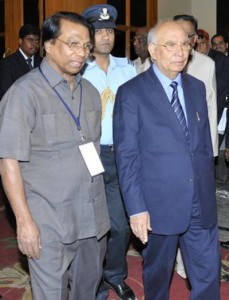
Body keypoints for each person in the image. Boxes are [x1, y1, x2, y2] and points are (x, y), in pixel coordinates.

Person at [0, 11, 110, 300]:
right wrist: (24, 223)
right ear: (48, 45)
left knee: (87, 292)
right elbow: (8, 162)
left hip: (92, 218)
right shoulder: (23, 93)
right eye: (72, 44)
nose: (81, 53)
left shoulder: (89, 91)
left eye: (86, 46)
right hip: (48, 222)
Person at [113, 20, 221, 300]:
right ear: (152, 49)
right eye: (170, 45)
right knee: (158, 276)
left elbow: (201, 143)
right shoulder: (132, 93)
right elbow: (127, 156)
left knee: (208, 275)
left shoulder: (196, 87)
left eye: (185, 44)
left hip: (201, 200)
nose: (180, 51)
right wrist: (136, 208)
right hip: (158, 205)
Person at [82, 4, 137, 300]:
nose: (105, 36)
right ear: (89, 34)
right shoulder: (79, 69)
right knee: (91, 227)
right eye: (99, 30)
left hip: (122, 156)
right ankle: (93, 283)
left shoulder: (126, 68)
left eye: (109, 31)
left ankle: (114, 275)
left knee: (119, 225)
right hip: (88, 155)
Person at [0, 23, 42, 100]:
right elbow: (7, 95)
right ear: (20, 41)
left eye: (37, 41)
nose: (34, 44)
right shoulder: (7, 64)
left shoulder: (43, 62)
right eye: (30, 40)